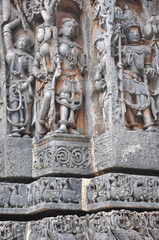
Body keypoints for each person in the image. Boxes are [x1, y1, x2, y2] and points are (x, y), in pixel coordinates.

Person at [121, 8, 157, 131]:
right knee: (128, 99)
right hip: (127, 77)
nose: (135, 34)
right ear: (126, 35)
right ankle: (133, 124)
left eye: (137, 32)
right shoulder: (124, 49)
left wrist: (149, 69)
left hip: (140, 79)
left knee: (144, 98)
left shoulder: (145, 49)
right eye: (131, 32)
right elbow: (122, 64)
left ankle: (148, 122)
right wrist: (126, 60)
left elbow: (147, 65)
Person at [3, 17, 35, 137]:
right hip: (13, 83)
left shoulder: (29, 58)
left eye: (26, 41)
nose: (23, 42)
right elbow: (6, 29)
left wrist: (27, 82)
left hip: (25, 85)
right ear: (15, 42)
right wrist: (17, 21)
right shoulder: (11, 53)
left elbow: (32, 73)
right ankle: (15, 129)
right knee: (14, 103)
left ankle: (27, 131)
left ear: (28, 46)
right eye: (20, 40)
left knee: (27, 106)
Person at [55, 17, 86, 134]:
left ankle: (71, 126)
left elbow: (82, 61)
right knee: (64, 98)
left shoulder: (77, 46)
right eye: (68, 27)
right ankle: (62, 124)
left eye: (73, 28)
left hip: (76, 75)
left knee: (75, 100)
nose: (71, 30)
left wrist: (82, 65)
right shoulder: (56, 42)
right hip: (63, 73)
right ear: (61, 28)